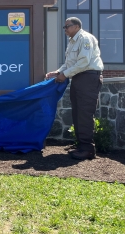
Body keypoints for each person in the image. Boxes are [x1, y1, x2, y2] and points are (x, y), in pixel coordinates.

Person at [45, 17, 104, 160]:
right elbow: (70, 64)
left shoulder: (85, 38)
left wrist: (64, 75)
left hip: (88, 78)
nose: (65, 29)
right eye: (64, 27)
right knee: (77, 113)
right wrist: (58, 72)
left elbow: (83, 62)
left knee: (84, 113)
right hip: (79, 78)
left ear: (76, 26)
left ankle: (88, 149)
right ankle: (81, 145)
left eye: (67, 26)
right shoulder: (72, 42)